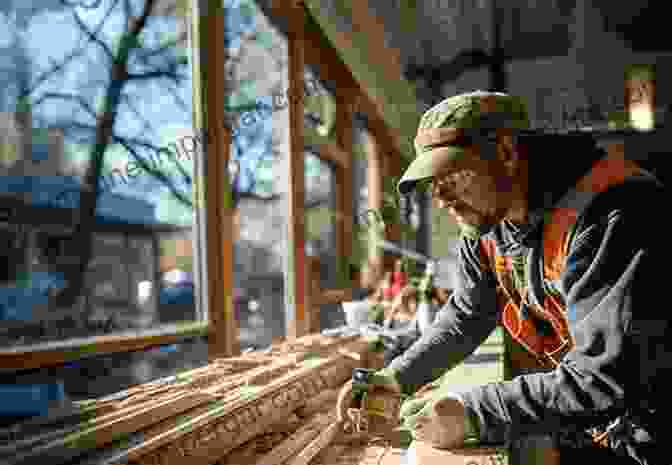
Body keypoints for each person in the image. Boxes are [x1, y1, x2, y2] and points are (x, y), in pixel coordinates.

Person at [336, 90, 669, 465]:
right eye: (433, 182)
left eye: (453, 175)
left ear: (506, 153)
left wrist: (472, 412)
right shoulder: (488, 224)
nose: (442, 198)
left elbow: (605, 376)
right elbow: (467, 313)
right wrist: (396, 379)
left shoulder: (612, 213)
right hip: (609, 425)